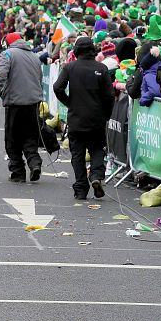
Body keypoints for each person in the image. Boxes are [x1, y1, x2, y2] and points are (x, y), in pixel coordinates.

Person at [53, 37, 115, 199]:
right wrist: (106, 114)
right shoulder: (102, 68)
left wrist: (69, 103)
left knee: (78, 154)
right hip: (96, 118)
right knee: (97, 149)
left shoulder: (70, 67)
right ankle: (96, 176)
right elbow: (109, 96)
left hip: (76, 118)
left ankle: (81, 188)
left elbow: (57, 87)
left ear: (76, 51)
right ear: (93, 50)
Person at [0, 32, 45, 183]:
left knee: (12, 139)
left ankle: (18, 171)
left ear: (8, 43)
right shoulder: (34, 56)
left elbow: (0, 75)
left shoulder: (7, 54)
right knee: (30, 136)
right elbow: (39, 78)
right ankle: (34, 163)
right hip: (33, 102)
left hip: (15, 102)